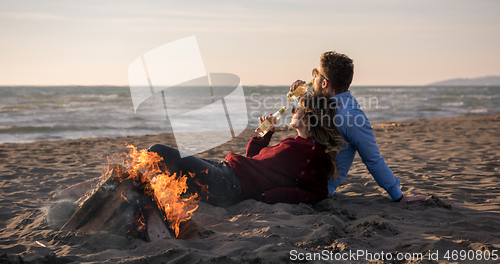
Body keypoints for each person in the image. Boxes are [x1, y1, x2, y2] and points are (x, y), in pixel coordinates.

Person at [51, 94, 344, 207]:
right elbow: (256, 162)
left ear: (308, 118)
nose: (291, 111)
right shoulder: (297, 144)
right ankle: (115, 188)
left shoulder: (310, 152)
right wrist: (263, 136)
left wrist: (270, 198)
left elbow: (314, 192)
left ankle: (108, 190)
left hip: (230, 186)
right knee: (166, 159)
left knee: (159, 151)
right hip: (228, 171)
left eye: (297, 108)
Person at [290, 51, 426, 203]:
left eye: (315, 74)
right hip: (296, 176)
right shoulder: (330, 104)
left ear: (324, 83)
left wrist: (398, 196)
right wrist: (301, 99)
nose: (312, 77)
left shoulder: (351, 116)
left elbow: (373, 160)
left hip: (310, 187)